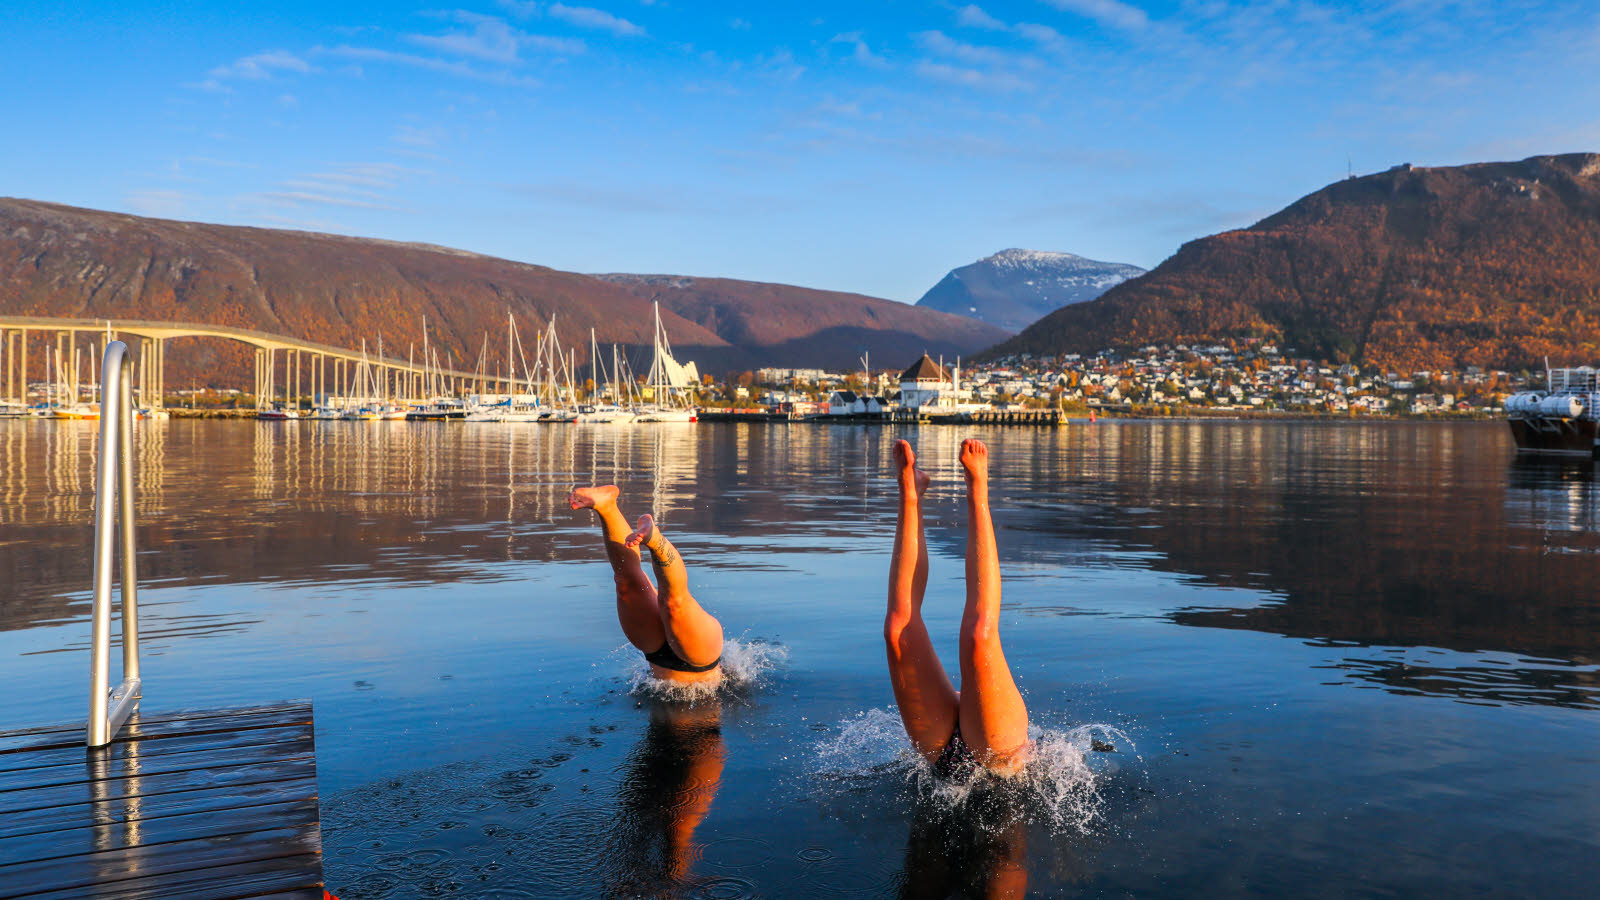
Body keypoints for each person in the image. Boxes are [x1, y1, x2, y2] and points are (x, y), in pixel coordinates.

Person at [884, 438, 1030, 778]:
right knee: (896, 630)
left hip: (998, 753)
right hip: (944, 751)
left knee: (979, 635)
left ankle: (977, 491)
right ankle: (910, 493)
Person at [569, 485, 724, 684]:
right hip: (701, 659)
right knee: (675, 602)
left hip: (655, 653)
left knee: (626, 583)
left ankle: (607, 507)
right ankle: (655, 540)